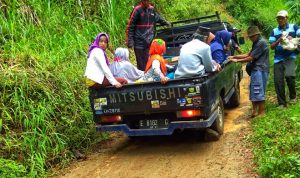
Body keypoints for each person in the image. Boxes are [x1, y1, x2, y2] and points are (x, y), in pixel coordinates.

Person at [229, 26, 269, 117]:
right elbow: (248, 54)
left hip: (260, 69)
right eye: (250, 37)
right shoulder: (256, 42)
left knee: (258, 90)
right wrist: (234, 57)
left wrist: (237, 61)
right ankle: (254, 111)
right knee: (254, 90)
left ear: (256, 35)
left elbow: (251, 57)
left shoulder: (261, 43)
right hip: (256, 69)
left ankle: (261, 112)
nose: (250, 38)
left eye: (251, 36)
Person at [126, 0, 170, 71]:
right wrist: (130, 41)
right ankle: (143, 79)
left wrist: (166, 23)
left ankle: (147, 76)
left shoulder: (151, 10)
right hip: (138, 41)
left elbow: (158, 18)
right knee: (140, 63)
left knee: (147, 61)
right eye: (145, 0)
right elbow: (130, 26)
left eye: (148, 1)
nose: (146, 2)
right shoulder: (137, 10)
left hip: (148, 41)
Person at [269, 10, 300, 107]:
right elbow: (272, 46)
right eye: (278, 18)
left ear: (287, 18)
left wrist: (293, 38)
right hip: (278, 59)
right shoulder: (274, 31)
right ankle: (282, 103)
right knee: (278, 81)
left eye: (282, 18)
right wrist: (279, 39)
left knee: (290, 77)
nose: (280, 20)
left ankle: (292, 97)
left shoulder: (294, 27)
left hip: (290, 56)